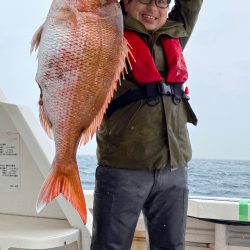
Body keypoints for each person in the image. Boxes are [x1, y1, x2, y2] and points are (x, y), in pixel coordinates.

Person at [91, 0, 202, 249]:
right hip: (122, 167)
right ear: (125, 2)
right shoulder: (108, 34)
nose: (153, 8)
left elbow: (191, 5)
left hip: (174, 168)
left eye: (162, 1)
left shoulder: (175, 34)